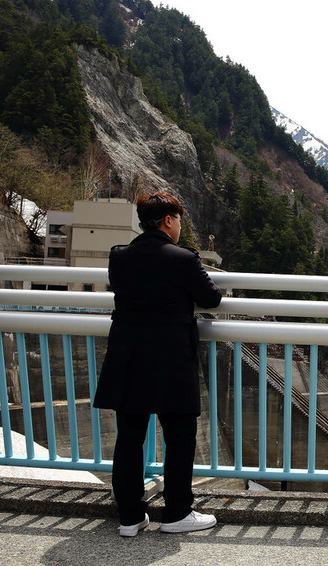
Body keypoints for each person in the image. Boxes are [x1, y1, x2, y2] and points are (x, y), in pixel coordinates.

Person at [93, 191, 222, 537]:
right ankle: (178, 512)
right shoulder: (183, 259)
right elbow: (211, 299)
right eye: (178, 219)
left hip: (128, 359)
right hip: (170, 362)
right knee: (179, 437)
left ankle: (130, 517)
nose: (179, 225)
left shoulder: (119, 256)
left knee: (130, 438)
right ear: (168, 220)